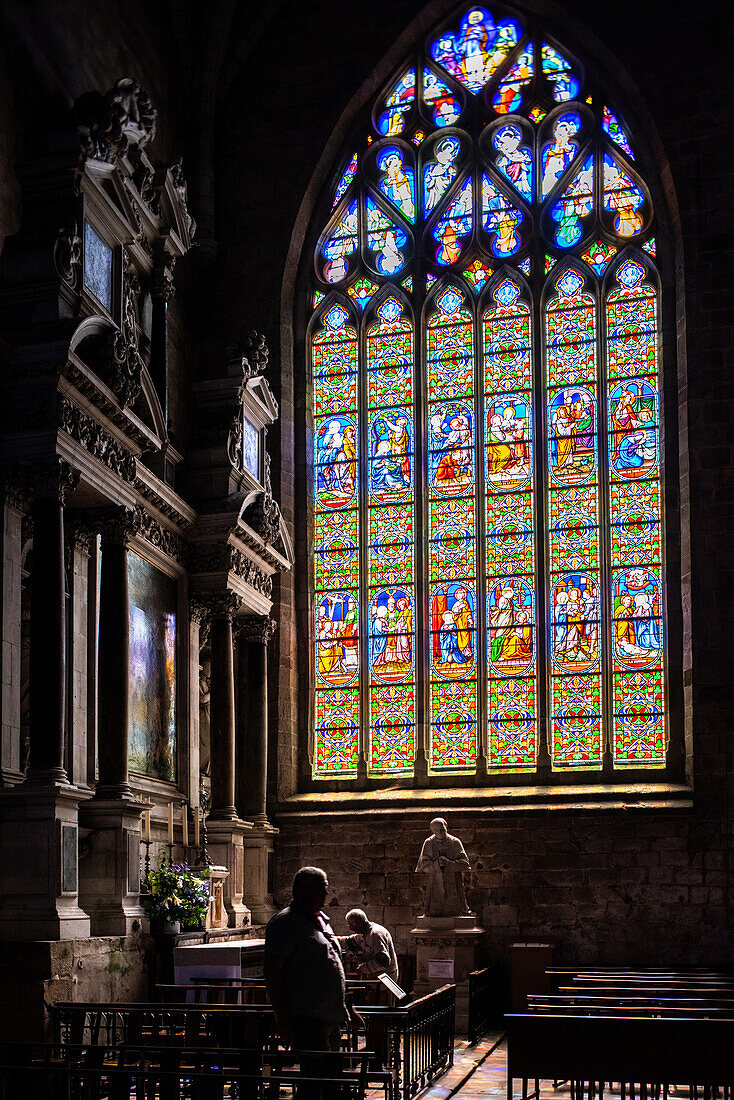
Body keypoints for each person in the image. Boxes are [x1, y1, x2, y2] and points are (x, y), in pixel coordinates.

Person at [265, 867, 352, 1062]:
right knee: (315, 1080)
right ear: (303, 890)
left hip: (331, 1015)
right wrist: (283, 1018)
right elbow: (272, 972)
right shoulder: (286, 922)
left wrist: (347, 1006)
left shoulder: (319, 920)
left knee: (331, 1078)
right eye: (321, 888)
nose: (326, 894)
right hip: (308, 1017)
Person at [415, 817, 471, 918]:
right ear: (433, 831)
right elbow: (423, 867)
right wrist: (436, 864)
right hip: (435, 885)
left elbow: (465, 864)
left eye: (442, 829)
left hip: (453, 884)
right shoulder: (428, 843)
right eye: (436, 831)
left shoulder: (455, 842)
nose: (440, 832)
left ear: (446, 827)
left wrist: (449, 863)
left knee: (455, 913)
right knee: (434, 912)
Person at [338, 909, 399, 983]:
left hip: (385, 980)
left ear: (357, 923)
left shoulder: (376, 934)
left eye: (351, 925)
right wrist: (332, 939)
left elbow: (383, 962)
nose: (350, 928)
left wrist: (362, 969)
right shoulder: (364, 933)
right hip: (377, 977)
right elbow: (348, 941)